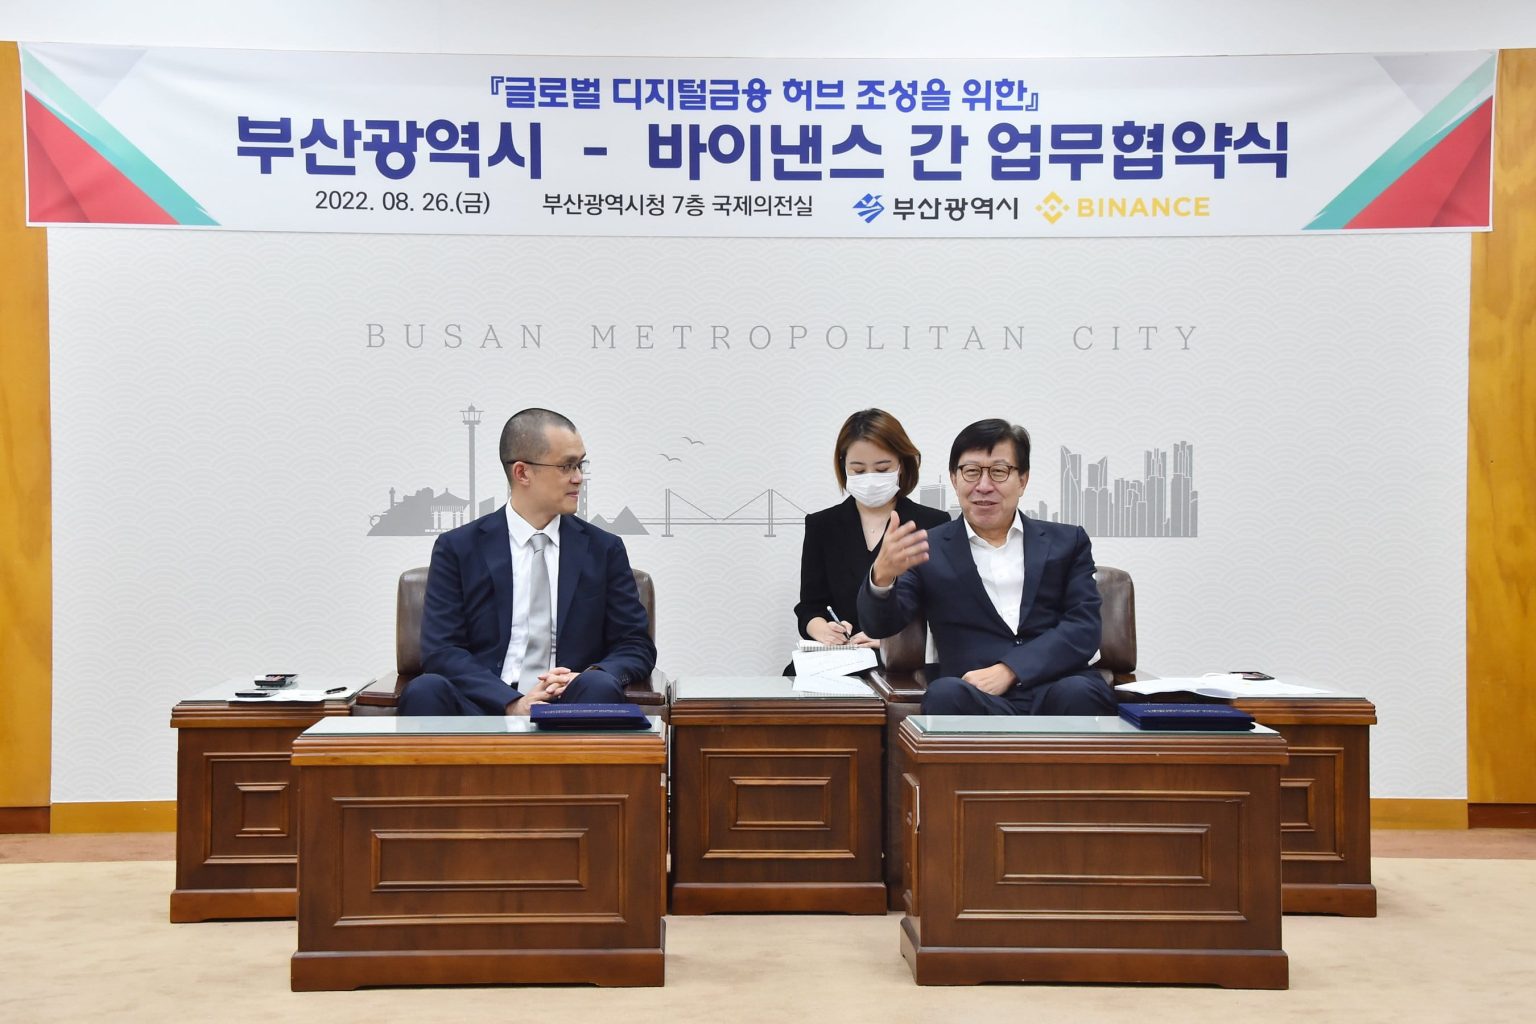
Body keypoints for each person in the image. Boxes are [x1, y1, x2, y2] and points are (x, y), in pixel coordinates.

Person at [399, 408, 657, 716]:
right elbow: (442, 651)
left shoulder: (604, 550)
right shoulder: (458, 548)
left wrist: (589, 675)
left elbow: (635, 644)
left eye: (580, 464)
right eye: (567, 466)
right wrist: (511, 702)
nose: (579, 478)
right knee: (425, 690)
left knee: (599, 686)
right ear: (522, 473)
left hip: (570, 701)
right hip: (484, 703)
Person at [856, 418, 1115, 716]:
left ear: (1023, 480)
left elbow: (1083, 627)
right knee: (944, 695)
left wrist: (1011, 670)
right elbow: (882, 626)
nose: (984, 486)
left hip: (1059, 688)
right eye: (971, 472)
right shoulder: (928, 548)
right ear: (954, 479)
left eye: (999, 472)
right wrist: (882, 576)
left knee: (1081, 692)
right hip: (975, 694)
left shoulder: (1068, 542)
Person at [793, 409, 949, 659]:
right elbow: (810, 607)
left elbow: (942, 611)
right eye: (858, 470)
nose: (870, 479)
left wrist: (891, 639)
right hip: (838, 659)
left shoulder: (933, 523)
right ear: (843, 466)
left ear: (901, 464)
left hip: (901, 662)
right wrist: (822, 629)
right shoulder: (822, 525)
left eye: (882, 469)